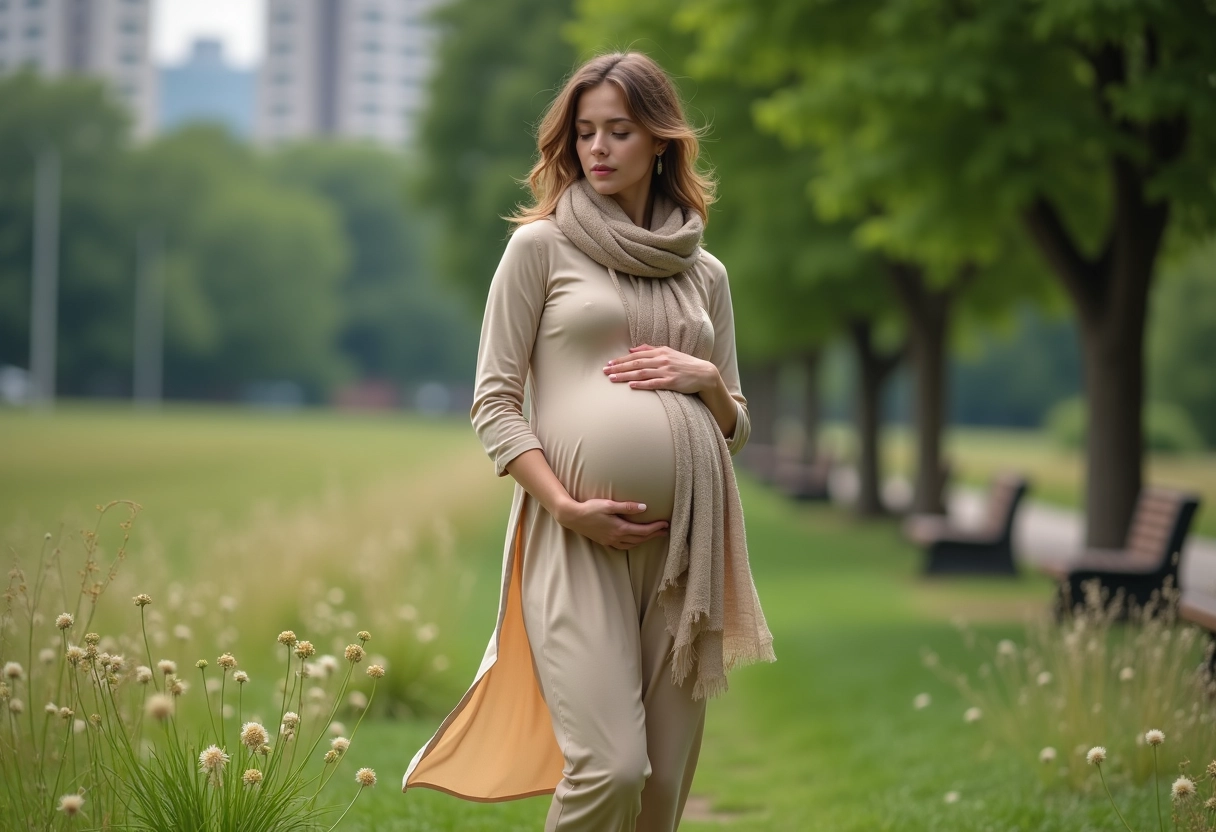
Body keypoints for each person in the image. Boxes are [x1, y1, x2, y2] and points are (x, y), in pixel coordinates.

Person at [402, 51, 775, 832]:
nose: (597, 149)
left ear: (662, 143)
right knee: (612, 769)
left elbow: (735, 426)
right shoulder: (538, 250)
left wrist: (706, 379)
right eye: (584, 133)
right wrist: (567, 506)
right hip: (575, 543)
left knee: (664, 787)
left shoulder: (704, 273)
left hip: (686, 552)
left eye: (619, 132)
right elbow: (495, 404)